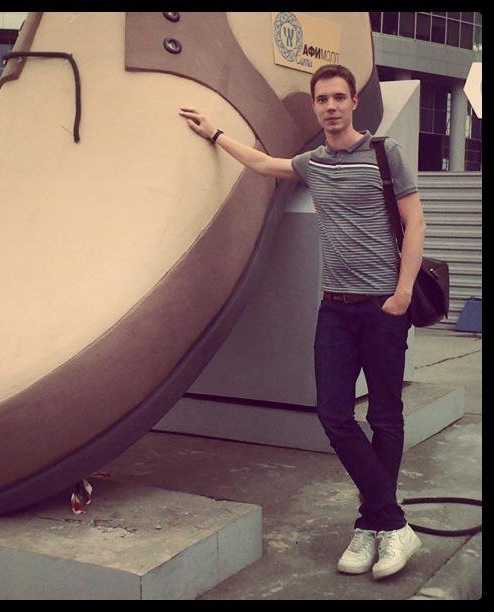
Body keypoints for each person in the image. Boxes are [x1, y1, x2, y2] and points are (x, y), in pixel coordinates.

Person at [179, 63, 426, 580]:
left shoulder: (385, 154)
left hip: (383, 307)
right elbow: (264, 163)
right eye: (322, 99)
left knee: (385, 417)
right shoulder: (314, 163)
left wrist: (403, 293)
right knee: (334, 415)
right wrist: (216, 133)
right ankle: (390, 522)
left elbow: (415, 221)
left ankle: (372, 525)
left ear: (353, 101)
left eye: (339, 97)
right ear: (314, 107)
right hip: (334, 308)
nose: (331, 106)